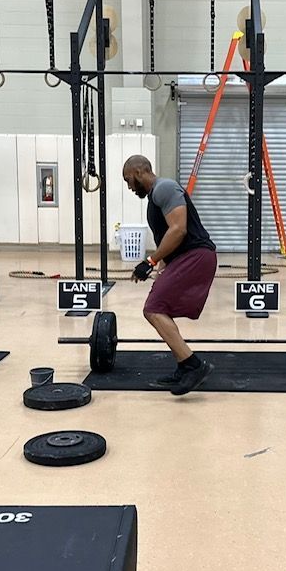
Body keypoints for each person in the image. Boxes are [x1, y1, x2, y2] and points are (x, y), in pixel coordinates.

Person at [121, 154, 218, 395]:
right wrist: (161, 266)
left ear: (139, 172)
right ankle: (184, 367)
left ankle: (193, 366)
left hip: (197, 256)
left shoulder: (164, 188)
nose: (129, 187)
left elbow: (179, 229)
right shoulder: (156, 197)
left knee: (153, 308)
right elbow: (171, 238)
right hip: (188, 257)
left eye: (128, 180)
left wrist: (150, 261)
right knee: (157, 306)